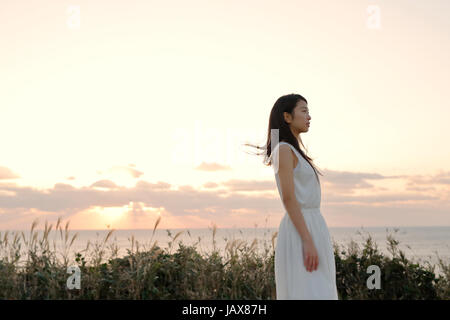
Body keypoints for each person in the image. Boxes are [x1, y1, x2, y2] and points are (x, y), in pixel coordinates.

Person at [247, 93, 339, 299]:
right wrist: (307, 240)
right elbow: (288, 198)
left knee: (320, 290)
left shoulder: (295, 152)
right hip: (301, 229)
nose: (309, 116)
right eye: (304, 111)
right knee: (309, 291)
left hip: (313, 225)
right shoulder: (282, 151)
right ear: (287, 117)